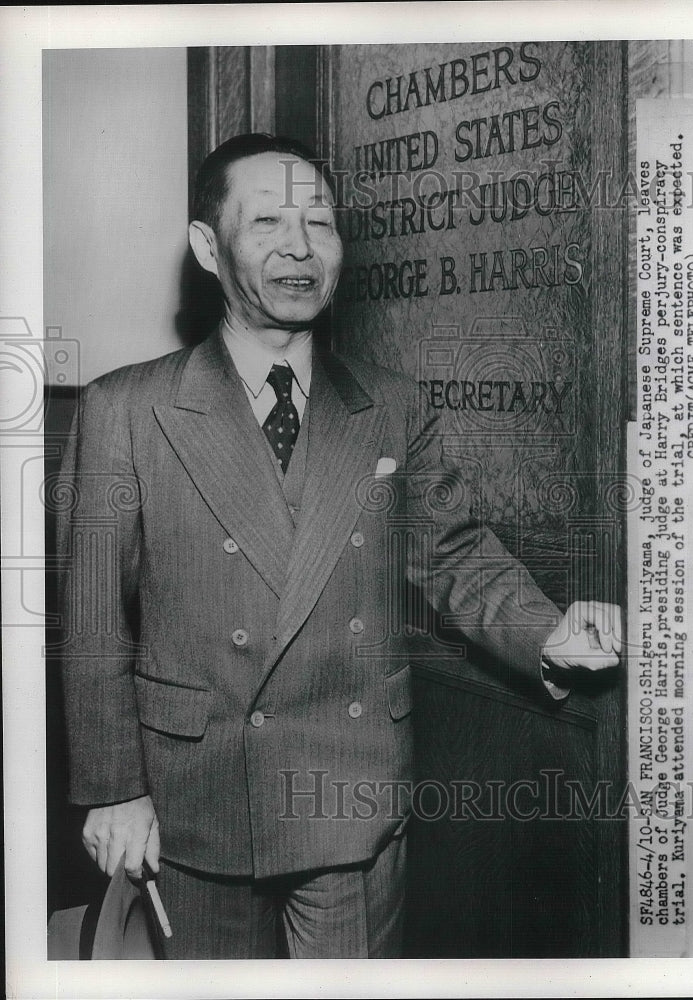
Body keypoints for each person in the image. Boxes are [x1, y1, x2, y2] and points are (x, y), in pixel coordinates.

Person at [58, 133, 622, 959]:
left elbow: (452, 552)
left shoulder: (390, 405)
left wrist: (546, 632)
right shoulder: (127, 409)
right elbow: (94, 622)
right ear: (208, 247)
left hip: (349, 788)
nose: (300, 247)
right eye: (268, 223)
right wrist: (113, 792)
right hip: (195, 796)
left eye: (319, 223)